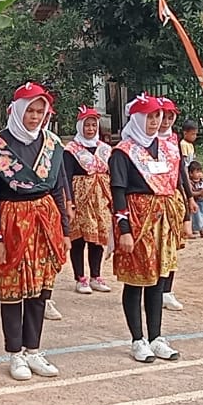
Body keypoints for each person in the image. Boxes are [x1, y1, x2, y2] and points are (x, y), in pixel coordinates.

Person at [0, 83, 70, 380]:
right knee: (12, 288)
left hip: (45, 220)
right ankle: (15, 353)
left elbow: (58, 189)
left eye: (39, 111)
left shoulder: (52, 144)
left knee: (41, 289)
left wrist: (65, 231)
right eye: (29, 111)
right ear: (17, 111)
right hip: (11, 221)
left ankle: (33, 350)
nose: (34, 117)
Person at [112, 94, 188, 362]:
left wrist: (184, 215)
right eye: (150, 116)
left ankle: (156, 336)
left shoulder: (167, 147)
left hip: (163, 221)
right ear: (137, 118)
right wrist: (124, 230)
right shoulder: (123, 152)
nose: (155, 122)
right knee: (136, 280)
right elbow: (118, 193)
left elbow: (176, 182)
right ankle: (137, 339)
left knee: (158, 280)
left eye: (158, 116)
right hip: (137, 220)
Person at [65, 105, 114, 294]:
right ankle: (80, 277)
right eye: (87, 125)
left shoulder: (105, 149)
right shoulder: (71, 150)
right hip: (80, 198)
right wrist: (70, 200)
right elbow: (66, 176)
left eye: (94, 125)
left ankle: (96, 275)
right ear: (80, 126)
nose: (91, 129)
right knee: (79, 238)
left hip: (100, 198)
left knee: (97, 238)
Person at [155, 97, 188, 312]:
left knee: (172, 245)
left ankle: (168, 290)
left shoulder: (174, 141)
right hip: (154, 200)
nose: (165, 121)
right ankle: (155, 289)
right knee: (157, 246)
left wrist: (189, 199)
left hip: (173, 198)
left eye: (170, 117)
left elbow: (180, 171)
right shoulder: (144, 141)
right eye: (161, 116)